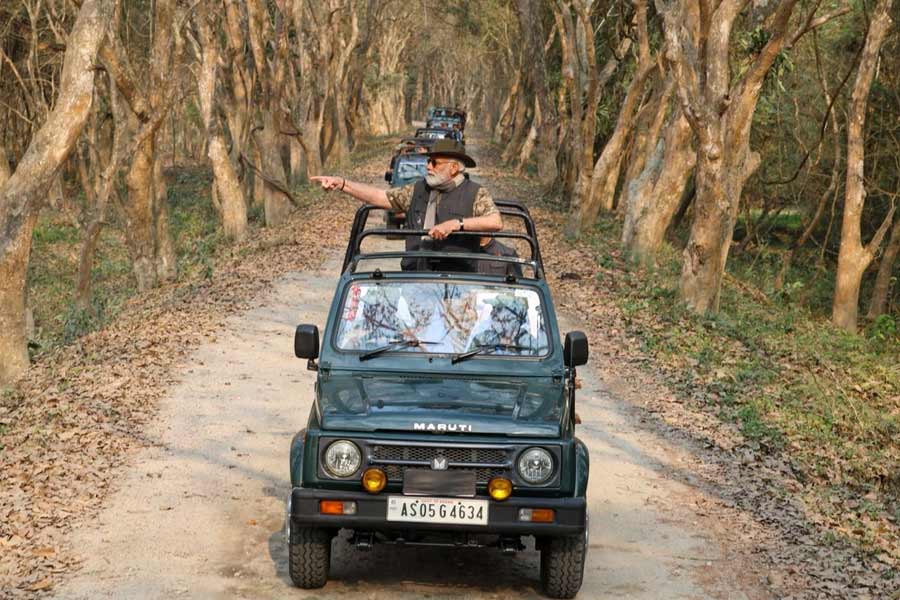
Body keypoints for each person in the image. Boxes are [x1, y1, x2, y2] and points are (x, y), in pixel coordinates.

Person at [311, 139, 501, 271]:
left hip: (459, 280)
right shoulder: (417, 189)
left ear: (453, 168)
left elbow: (495, 221)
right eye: (428, 161)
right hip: (413, 277)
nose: (428, 167)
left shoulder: (475, 192)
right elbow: (381, 197)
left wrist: (457, 224)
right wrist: (343, 184)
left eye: (434, 163)